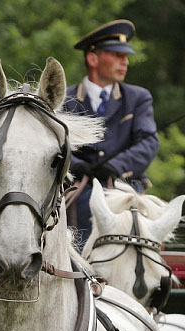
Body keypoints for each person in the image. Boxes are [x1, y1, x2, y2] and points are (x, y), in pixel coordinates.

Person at [63, 19, 159, 250]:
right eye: (116, 55)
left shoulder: (138, 98)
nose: (125, 61)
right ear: (93, 58)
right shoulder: (65, 99)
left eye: (125, 56)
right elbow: (54, 145)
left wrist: (115, 166)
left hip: (124, 187)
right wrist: (75, 165)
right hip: (77, 190)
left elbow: (148, 143)